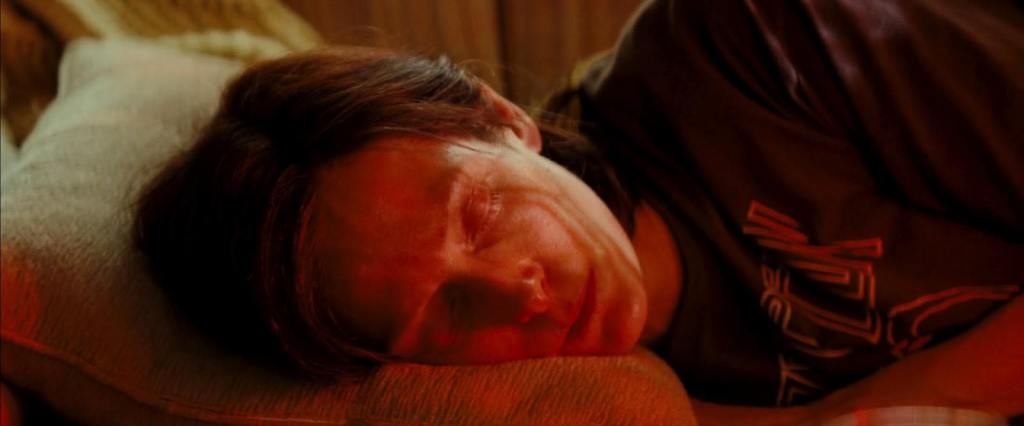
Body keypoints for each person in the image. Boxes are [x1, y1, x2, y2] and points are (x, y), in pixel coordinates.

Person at [135, 0, 1024, 423]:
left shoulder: (745, 48)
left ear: (498, 117)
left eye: (479, 213)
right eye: (446, 311)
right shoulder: (614, 401)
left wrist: (921, 392)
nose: (518, 292)